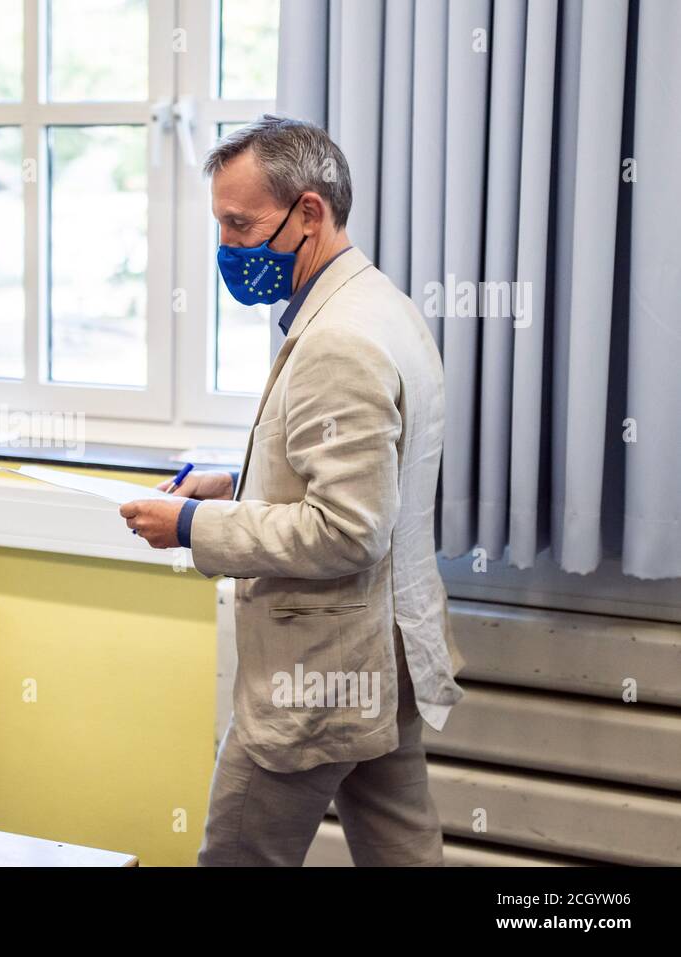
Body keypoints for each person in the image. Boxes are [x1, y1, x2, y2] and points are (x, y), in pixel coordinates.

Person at [121, 115, 465, 866]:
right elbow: (359, 477)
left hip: (322, 665)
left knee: (239, 855)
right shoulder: (384, 306)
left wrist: (193, 524)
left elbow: (347, 528)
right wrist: (235, 483)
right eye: (220, 226)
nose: (228, 248)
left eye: (240, 225)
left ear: (310, 212)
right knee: (402, 849)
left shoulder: (338, 338)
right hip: (385, 646)